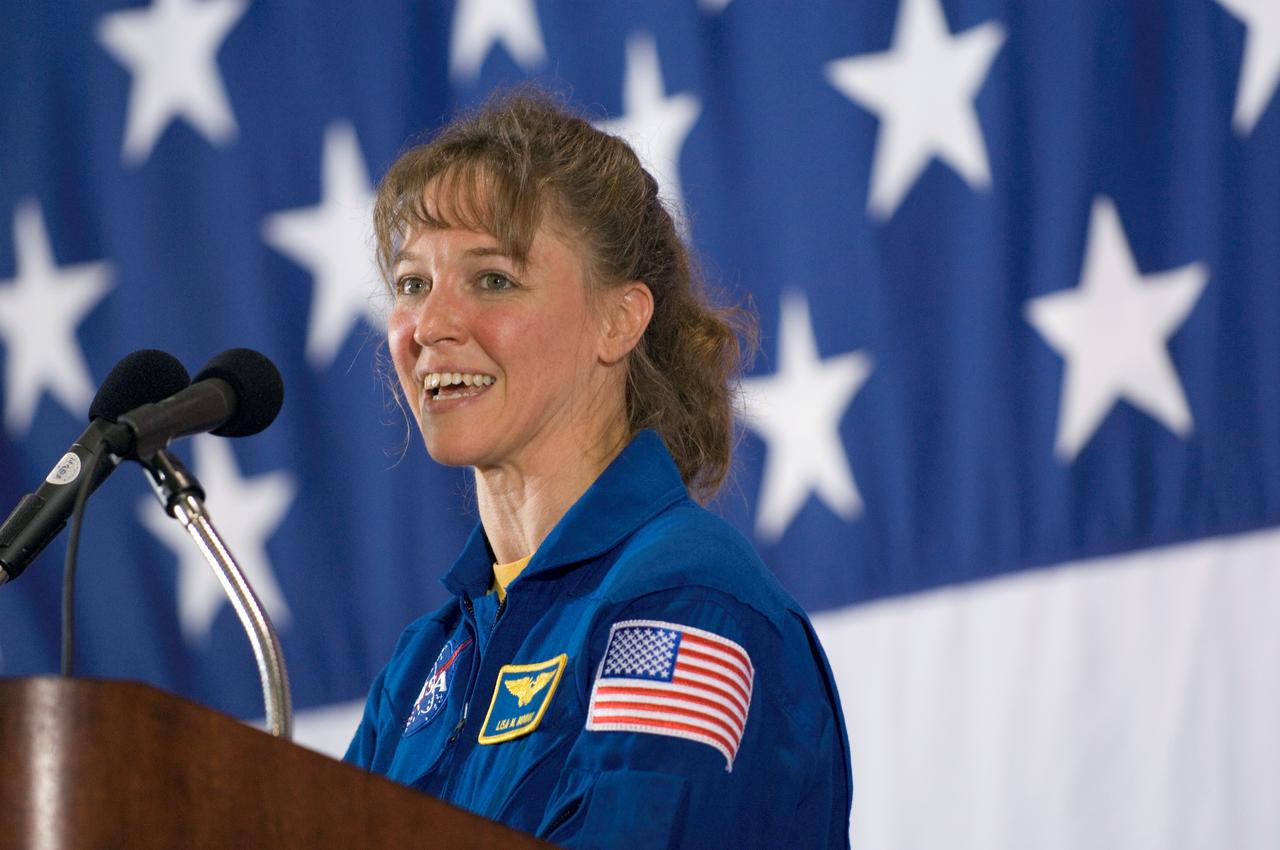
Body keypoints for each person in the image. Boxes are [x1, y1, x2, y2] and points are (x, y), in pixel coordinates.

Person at [345, 91, 853, 848]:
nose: (430, 326)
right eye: (413, 284)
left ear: (620, 319)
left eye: (492, 279)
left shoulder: (684, 602)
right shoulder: (421, 665)